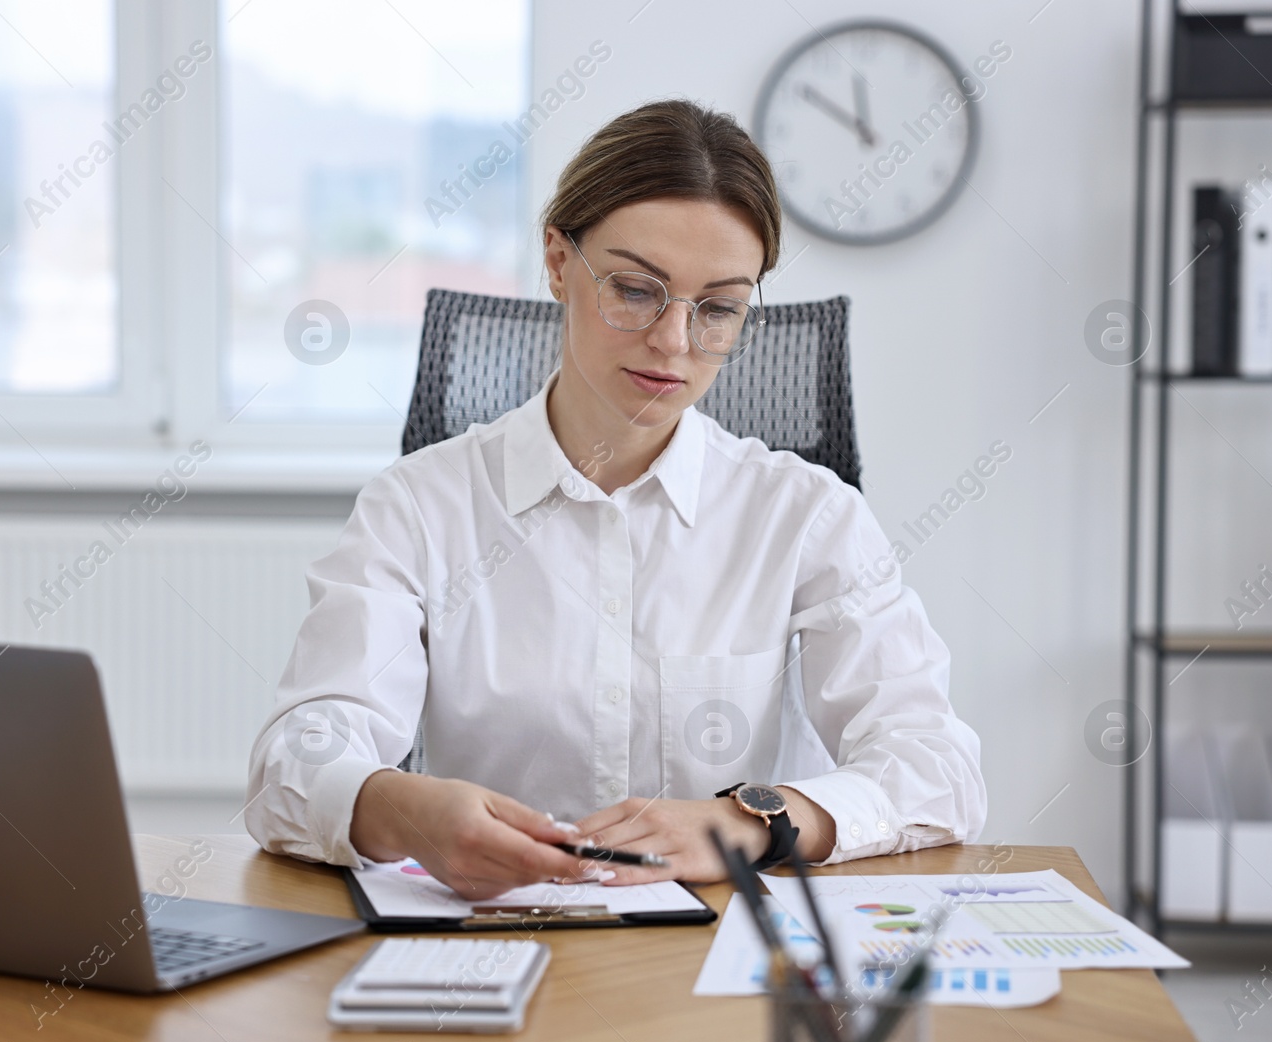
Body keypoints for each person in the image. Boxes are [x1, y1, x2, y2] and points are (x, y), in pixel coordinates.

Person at [244, 99, 986, 900]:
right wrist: (398, 807)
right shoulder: (419, 506)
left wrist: (743, 822)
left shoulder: (807, 515)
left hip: (723, 961)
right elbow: (295, 757)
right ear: (559, 262)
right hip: (492, 942)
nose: (674, 341)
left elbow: (936, 766)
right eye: (636, 290)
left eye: (719, 309)